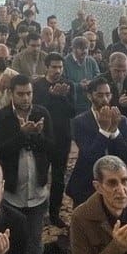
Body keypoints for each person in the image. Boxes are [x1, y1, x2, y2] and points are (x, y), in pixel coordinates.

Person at [0, 74, 54, 254]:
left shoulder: (42, 113)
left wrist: (36, 136)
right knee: (8, 241)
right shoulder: (1, 117)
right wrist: (22, 135)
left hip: (36, 191)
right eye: (21, 94)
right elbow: (0, 149)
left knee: (35, 244)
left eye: (29, 93)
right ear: (11, 94)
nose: (26, 98)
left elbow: (52, 147)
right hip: (11, 193)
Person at [68, 79, 127, 208]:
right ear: (89, 96)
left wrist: (114, 131)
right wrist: (104, 131)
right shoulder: (80, 122)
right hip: (87, 183)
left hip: (116, 183)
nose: (104, 99)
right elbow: (89, 156)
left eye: (108, 95)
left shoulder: (121, 120)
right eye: (100, 95)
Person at [34, 53, 76, 227]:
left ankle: (55, 213)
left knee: (58, 178)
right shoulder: (38, 85)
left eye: (60, 67)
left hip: (62, 138)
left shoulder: (68, 85)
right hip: (43, 137)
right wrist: (51, 96)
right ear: (47, 67)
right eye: (54, 67)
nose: (57, 70)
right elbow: (37, 110)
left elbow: (72, 111)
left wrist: (62, 96)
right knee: (40, 176)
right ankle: (38, 210)